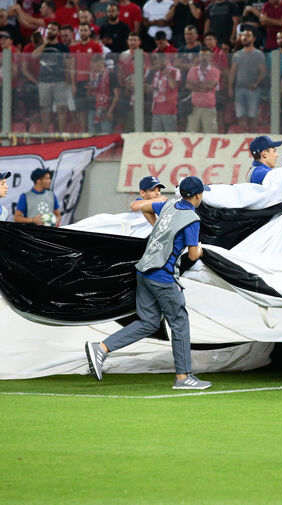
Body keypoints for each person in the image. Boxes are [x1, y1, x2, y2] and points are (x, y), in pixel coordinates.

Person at [85, 176, 212, 390]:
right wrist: (200, 250)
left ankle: (101, 348)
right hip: (163, 277)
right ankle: (183, 378)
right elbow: (191, 255)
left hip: (144, 273)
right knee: (179, 323)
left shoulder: (169, 204)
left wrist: (159, 231)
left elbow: (145, 208)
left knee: (149, 323)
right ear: (198, 195)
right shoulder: (192, 218)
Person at [33, 21, 71, 132]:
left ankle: (61, 133)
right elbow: (34, 56)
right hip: (44, 81)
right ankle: (45, 132)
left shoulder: (63, 47)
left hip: (60, 81)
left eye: (53, 29)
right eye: (49, 29)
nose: (50, 31)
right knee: (45, 108)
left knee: (61, 108)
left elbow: (68, 65)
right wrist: (44, 43)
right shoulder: (42, 46)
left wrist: (68, 81)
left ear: (58, 32)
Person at [229, 29, 266, 131]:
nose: (245, 38)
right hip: (239, 89)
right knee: (241, 116)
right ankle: (243, 138)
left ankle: (254, 140)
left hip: (253, 90)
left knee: (253, 116)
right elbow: (232, 72)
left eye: (248, 36)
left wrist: (256, 83)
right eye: (243, 36)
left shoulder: (259, 54)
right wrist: (230, 88)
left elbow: (263, 72)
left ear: (253, 39)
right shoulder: (237, 55)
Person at [185, 46, 220, 133]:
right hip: (194, 106)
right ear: (198, 57)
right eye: (202, 55)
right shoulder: (193, 70)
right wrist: (204, 86)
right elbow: (188, 85)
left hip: (209, 106)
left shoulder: (215, 71)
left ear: (211, 57)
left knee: (210, 133)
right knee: (191, 133)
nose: (204, 57)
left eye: (206, 55)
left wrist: (195, 84)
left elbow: (211, 85)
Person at [149, 52, 180, 131]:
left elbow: (173, 86)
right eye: (154, 60)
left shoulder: (175, 71)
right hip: (156, 109)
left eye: (157, 60)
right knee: (156, 137)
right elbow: (155, 89)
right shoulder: (156, 73)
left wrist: (168, 75)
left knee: (170, 137)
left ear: (165, 60)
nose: (155, 62)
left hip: (169, 110)